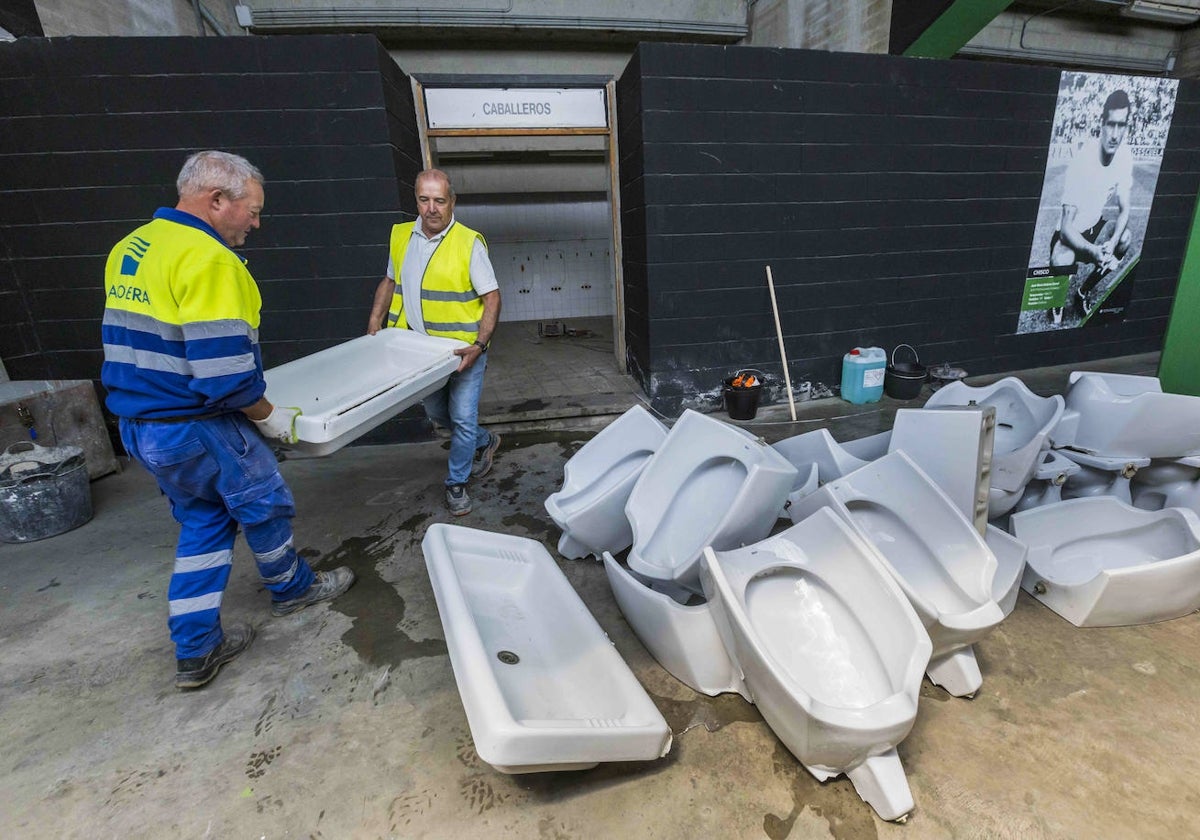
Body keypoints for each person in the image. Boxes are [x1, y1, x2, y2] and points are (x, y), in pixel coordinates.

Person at [101, 150, 355, 691]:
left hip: (141, 426)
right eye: (253, 211)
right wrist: (273, 420)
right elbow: (226, 379)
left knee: (205, 519)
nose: (256, 223)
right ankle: (294, 590)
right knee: (262, 500)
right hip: (197, 425)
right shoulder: (209, 258)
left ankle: (195, 648)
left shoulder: (133, 246)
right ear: (217, 201)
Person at [367, 169, 502, 516]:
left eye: (440, 200)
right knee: (439, 415)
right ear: (416, 200)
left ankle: (456, 483)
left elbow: (492, 297)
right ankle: (485, 440)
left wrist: (480, 344)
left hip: (463, 353)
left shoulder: (468, 242)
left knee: (461, 415)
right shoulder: (400, 237)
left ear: (452, 202)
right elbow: (389, 280)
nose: (432, 208)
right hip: (421, 354)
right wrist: (374, 321)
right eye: (424, 200)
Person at [1049, 89, 1134, 324]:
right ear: (1102, 124)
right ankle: (1055, 303)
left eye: (1122, 125)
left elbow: (1124, 209)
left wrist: (1112, 243)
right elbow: (1066, 227)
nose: (1115, 134)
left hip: (1095, 228)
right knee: (1061, 258)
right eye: (1111, 124)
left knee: (1125, 237)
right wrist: (1094, 252)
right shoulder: (1083, 160)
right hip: (1071, 234)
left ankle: (1082, 293)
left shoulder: (1125, 155)